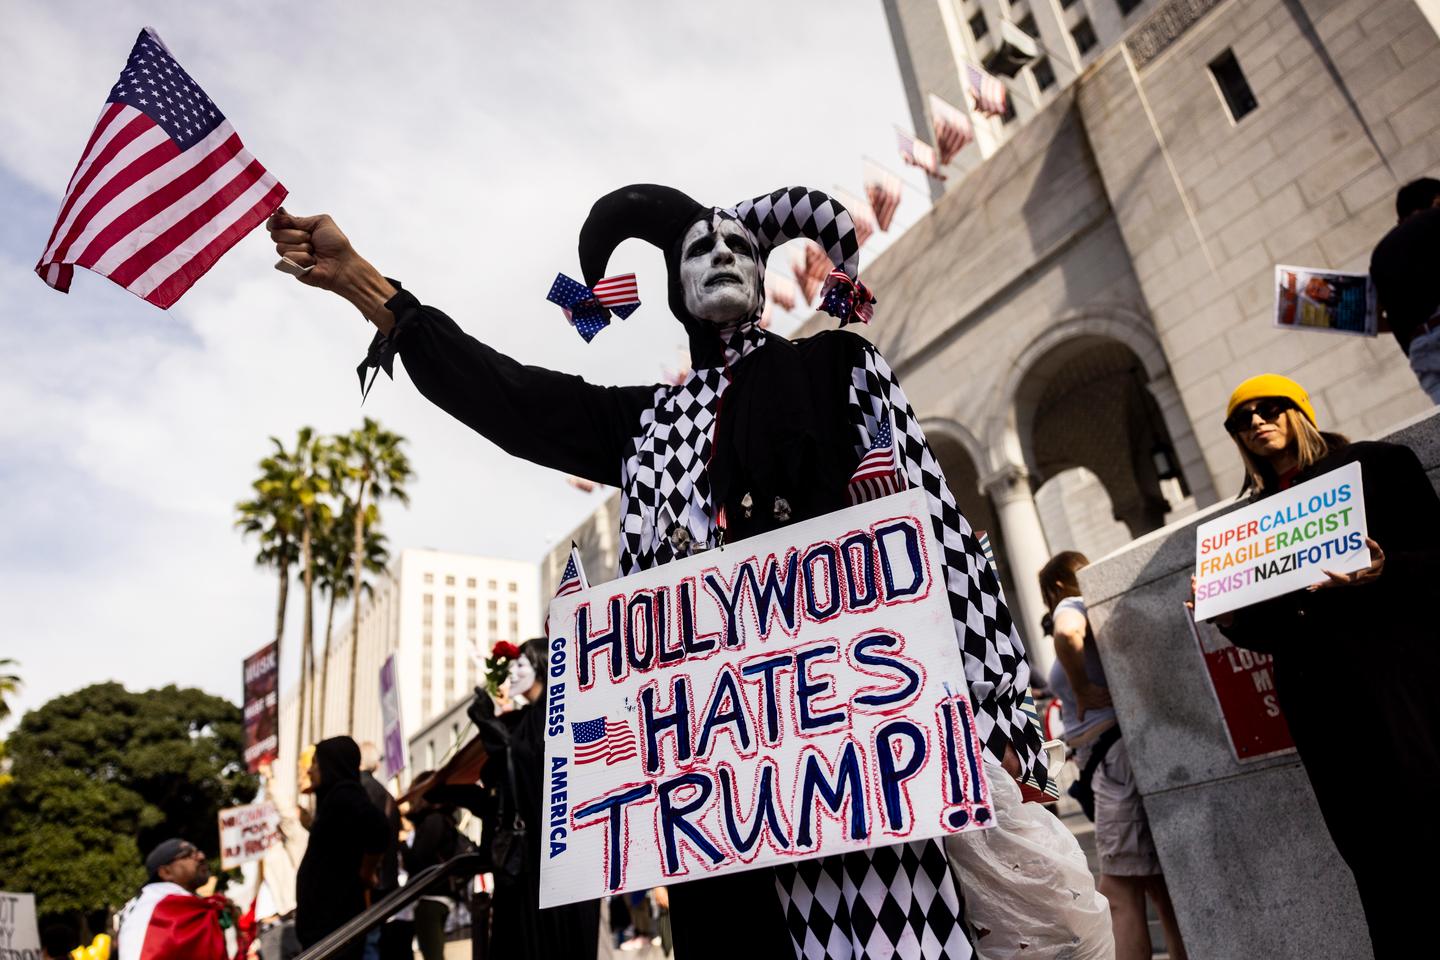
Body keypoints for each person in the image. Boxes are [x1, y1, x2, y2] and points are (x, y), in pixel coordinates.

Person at [268, 182, 1046, 959]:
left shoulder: (840, 366)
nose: (722, 255)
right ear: (677, 288)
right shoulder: (647, 424)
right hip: (706, 803)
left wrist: (1003, 714)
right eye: (700, 247)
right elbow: (510, 398)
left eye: (740, 246)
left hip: (857, 776)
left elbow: (936, 529)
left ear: (762, 277)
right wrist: (362, 283)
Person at [1206, 373, 1440, 959]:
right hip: (1318, 703)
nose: (1256, 422)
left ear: (1299, 410)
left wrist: (1388, 570)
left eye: (1269, 407)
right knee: (1370, 852)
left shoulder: (1377, 464)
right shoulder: (1249, 523)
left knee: (1426, 826)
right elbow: (1270, 630)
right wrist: (1230, 619)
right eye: (1241, 419)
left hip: (1396, 685)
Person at [1040, 552, 1187, 960]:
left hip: (1111, 761)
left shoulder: (1070, 604)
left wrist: (1081, 689)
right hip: (1119, 755)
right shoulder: (1097, 606)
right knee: (1160, 891)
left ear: (1056, 587)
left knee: (1118, 891)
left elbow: (1066, 634)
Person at [467, 637, 600, 958]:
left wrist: (493, 729)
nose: (511, 673)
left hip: (556, 862)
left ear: (543, 668)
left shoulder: (562, 714)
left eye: (521, 665)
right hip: (525, 866)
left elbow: (539, 769)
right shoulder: (525, 720)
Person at [294, 736, 391, 959]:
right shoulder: (334, 800)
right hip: (327, 927)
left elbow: (379, 829)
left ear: (331, 765)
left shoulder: (344, 795)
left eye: (316, 763)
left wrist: (366, 872)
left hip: (335, 926)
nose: (310, 770)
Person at [1370, 176, 1440, 402]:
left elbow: (1375, 319)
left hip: (1422, 350)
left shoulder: (1380, 254)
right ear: (1436, 201)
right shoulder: (1435, 219)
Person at [116, 838, 231, 960]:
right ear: (166, 872)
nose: (201, 856)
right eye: (188, 854)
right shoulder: (158, 908)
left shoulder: (190, 907)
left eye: (197, 852)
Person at [401, 775, 461, 960]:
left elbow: (417, 860)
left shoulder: (433, 821)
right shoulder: (441, 819)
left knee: (433, 953)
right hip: (439, 895)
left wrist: (402, 843)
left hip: (432, 896)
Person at [357, 742, 407, 960]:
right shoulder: (386, 796)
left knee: (369, 941)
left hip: (367, 880)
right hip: (386, 879)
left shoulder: (356, 793)